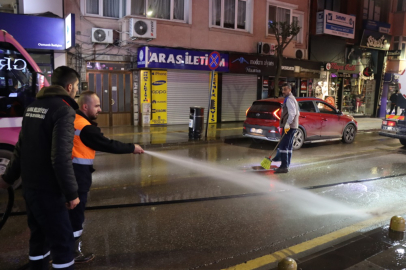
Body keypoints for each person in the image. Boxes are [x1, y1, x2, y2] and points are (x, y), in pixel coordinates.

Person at [0, 66, 80, 270]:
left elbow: (20, 147)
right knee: (63, 244)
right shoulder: (64, 110)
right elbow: (60, 158)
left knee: (38, 240)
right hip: (49, 191)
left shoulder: (34, 106)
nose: (77, 91)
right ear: (69, 86)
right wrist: (71, 193)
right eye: (77, 86)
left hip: (31, 188)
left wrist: (8, 178)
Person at [69, 91, 144, 263]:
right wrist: (132, 147)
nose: (100, 109)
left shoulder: (72, 119)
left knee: (68, 212)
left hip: (68, 172)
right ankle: (72, 252)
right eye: (96, 106)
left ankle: (61, 247)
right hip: (78, 175)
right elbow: (107, 144)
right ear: (85, 106)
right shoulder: (85, 127)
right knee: (76, 214)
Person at [274, 83, 300, 174]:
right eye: (282, 89)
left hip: (289, 127)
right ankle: (286, 165)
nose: (283, 91)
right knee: (288, 146)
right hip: (292, 126)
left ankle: (284, 166)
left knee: (284, 146)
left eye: (285, 89)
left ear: (289, 90)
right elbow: (297, 112)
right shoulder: (291, 99)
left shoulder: (289, 99)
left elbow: (292, 113)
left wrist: (287, 124)